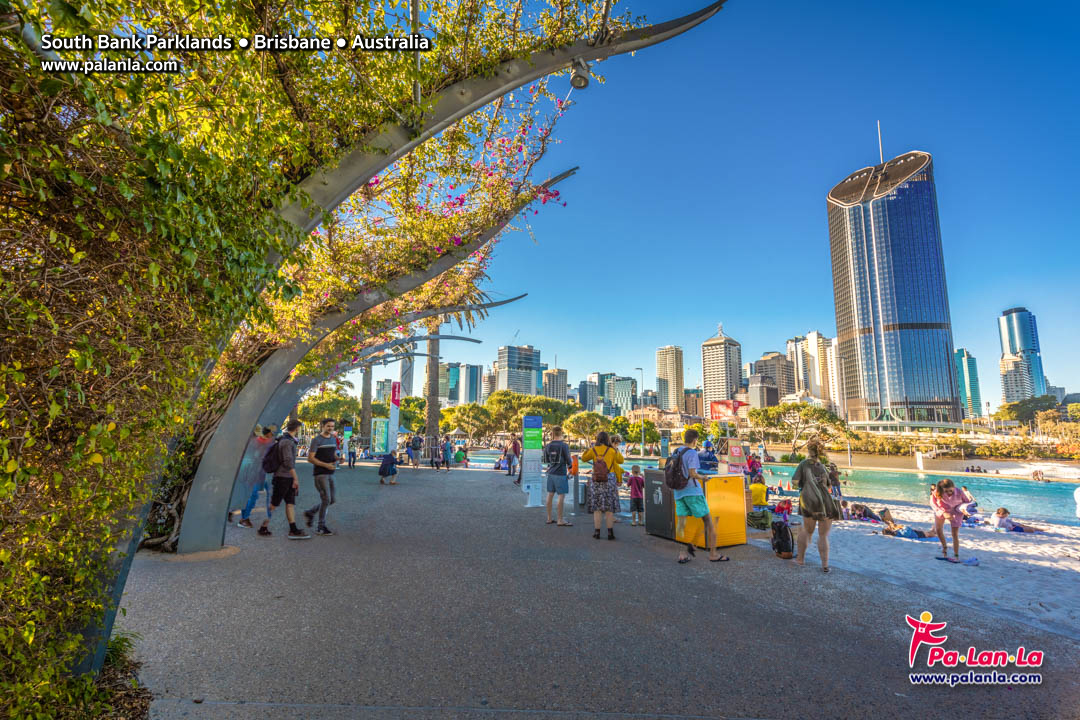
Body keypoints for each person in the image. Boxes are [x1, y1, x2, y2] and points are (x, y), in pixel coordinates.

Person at [670, 429, 727, 564]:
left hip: (679, 492)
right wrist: (704, 478)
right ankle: (713, 554)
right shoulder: (691, 453)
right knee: (709, 522)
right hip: (692, 491)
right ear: (695, 440)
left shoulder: (676, 451)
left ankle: (683, 553)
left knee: (682, 525)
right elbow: (693, 473)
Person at [259, 420, 310, 539]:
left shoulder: (286, 440)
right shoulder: (287, 442)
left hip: (286, 477)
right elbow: (288, 461)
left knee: (290, 503)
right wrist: (295, 478)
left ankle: (293, 530)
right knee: (274, 504)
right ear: (297, 429)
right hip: (283, 477)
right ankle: (263, 527)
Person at [793, 438, 838, 572]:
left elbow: (795, 481)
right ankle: (824, 565)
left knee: (807, 530)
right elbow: (829, 485)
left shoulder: (803, 464)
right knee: (823, 535)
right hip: (825, 501)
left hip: (809, 500)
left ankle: (800, 560)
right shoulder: (822, 466)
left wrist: (803, 484)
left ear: (809, 450)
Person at [581, 431, 624, 540]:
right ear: (607, 440)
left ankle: (597, 532)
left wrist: (590, 448)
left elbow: (583, 458)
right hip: (609, 480)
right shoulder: (611, 451)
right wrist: (615, 449)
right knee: (609, 508)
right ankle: (610, 533)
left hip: (597, 480)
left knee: (597, 508)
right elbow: (621, 460)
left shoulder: (593, 450)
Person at [303, 418, 339, 536]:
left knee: (332, 500)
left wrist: (338, 459)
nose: (330, 428)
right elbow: (310, 458)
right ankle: (321, 527)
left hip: (330, 473)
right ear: (323, 426)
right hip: (320, 474)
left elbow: (332, 454)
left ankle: (311, 512)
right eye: (328, 426)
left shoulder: (333, 439)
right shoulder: (316, 440)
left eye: (332, 426)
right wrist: (326, 465)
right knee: (326, 499)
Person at [238, 427, 275, 529]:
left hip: (260, 472)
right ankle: (244, 519)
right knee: (252, 495)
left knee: (253, 495)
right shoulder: (254, 443)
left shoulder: (262, 442)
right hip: (255, 473)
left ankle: (245, 518)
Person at [542, 426, 573, 527]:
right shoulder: (564, 446)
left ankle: (549, 518)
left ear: (553, 434)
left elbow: (546, 460)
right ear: (561, 433)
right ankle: (560, 519)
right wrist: (571, 468)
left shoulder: (548, 446)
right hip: (560, 473)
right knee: (561, 496)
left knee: (550, 494)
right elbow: (569, 460)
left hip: (551, 473)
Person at [930, 478, 965, 560]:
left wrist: (966, 511)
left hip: (956, 511)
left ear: (954, 487)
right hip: (942, 510)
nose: (949, 493)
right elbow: (933, 504)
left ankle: (956, 555)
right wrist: (943, 513)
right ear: (942, 489)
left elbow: (967, 502)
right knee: (938, 530)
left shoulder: (960, 492)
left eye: (951, 490)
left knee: (954, 534)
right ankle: (944, 547)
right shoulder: (936, 492)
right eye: (946, 491)